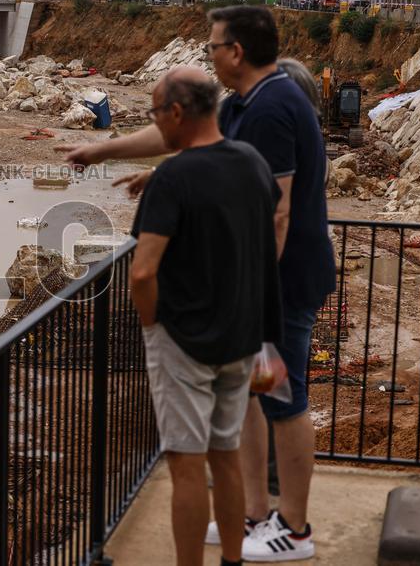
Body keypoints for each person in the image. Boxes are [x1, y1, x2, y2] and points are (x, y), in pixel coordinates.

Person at [57, 5, 335, 562]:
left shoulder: (271, 108)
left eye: (212, 46)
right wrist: (108, 152)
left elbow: (277, 214)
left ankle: (293, 528)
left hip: (281, 285)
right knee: (250, 408)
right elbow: (196, 145)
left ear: (236, 51)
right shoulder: (247, 102)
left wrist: (250, 294)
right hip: (256, 295)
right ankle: (253, 517)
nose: (209, 54)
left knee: (285, 402)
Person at [130, 66, 282, 566]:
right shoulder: (252, 162)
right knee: (227, 457)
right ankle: (232, 561)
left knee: (187, 466)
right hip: (240, 337)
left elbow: (142, 272)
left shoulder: (172, 177)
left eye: (156, 113)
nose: (156, 122)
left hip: (184, 341)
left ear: (177, 113)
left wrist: (153, 329)